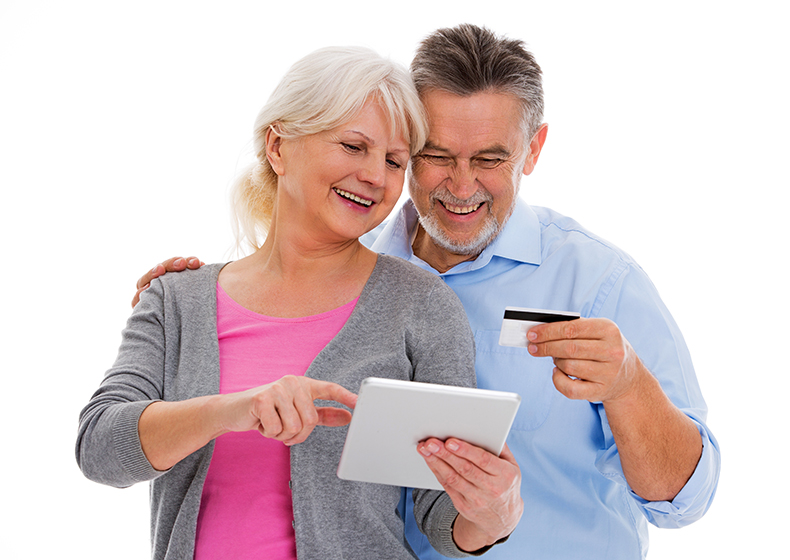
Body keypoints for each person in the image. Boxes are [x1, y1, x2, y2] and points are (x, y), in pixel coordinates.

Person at [135, 24, 721, 559]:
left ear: (534, 150)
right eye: (435, 157)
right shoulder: (357, 268)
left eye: (490, 159)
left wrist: (628, 385)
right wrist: (184, 301)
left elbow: (684, 499)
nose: (462, 184)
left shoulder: (597, 282)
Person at [77, 46, 523, 560]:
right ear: (278, 145)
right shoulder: (176, 298)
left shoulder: (422, 306)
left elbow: (441, 514)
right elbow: (99, 449)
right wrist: (234, 410)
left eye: (395, 160)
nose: (376, 176)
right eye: (354, 146)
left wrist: (490, 517)